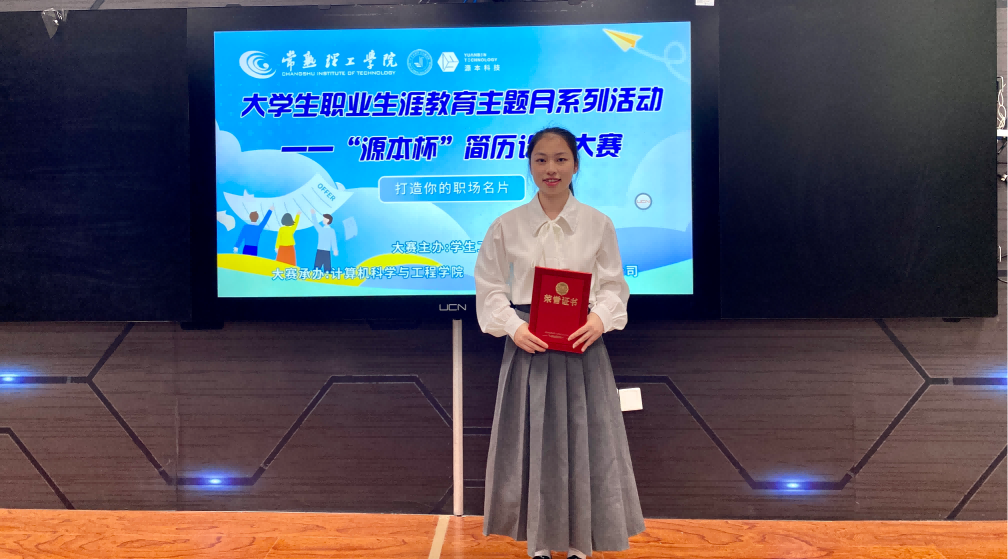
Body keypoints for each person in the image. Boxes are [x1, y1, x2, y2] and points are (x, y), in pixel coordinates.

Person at [474, 127, 644, 559]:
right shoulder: (506, 225)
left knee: (588, 443)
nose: (551, 169)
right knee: (533, 444)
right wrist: (513, 327)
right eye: (541, 160)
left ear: (575, 165)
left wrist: (599, 319)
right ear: (530, 166)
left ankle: (580, 545)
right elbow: (490, 287)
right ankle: (540, 545)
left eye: (561, 159)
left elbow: (613, 286)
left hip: (583, 346)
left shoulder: (598, 223)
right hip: (528, 347)